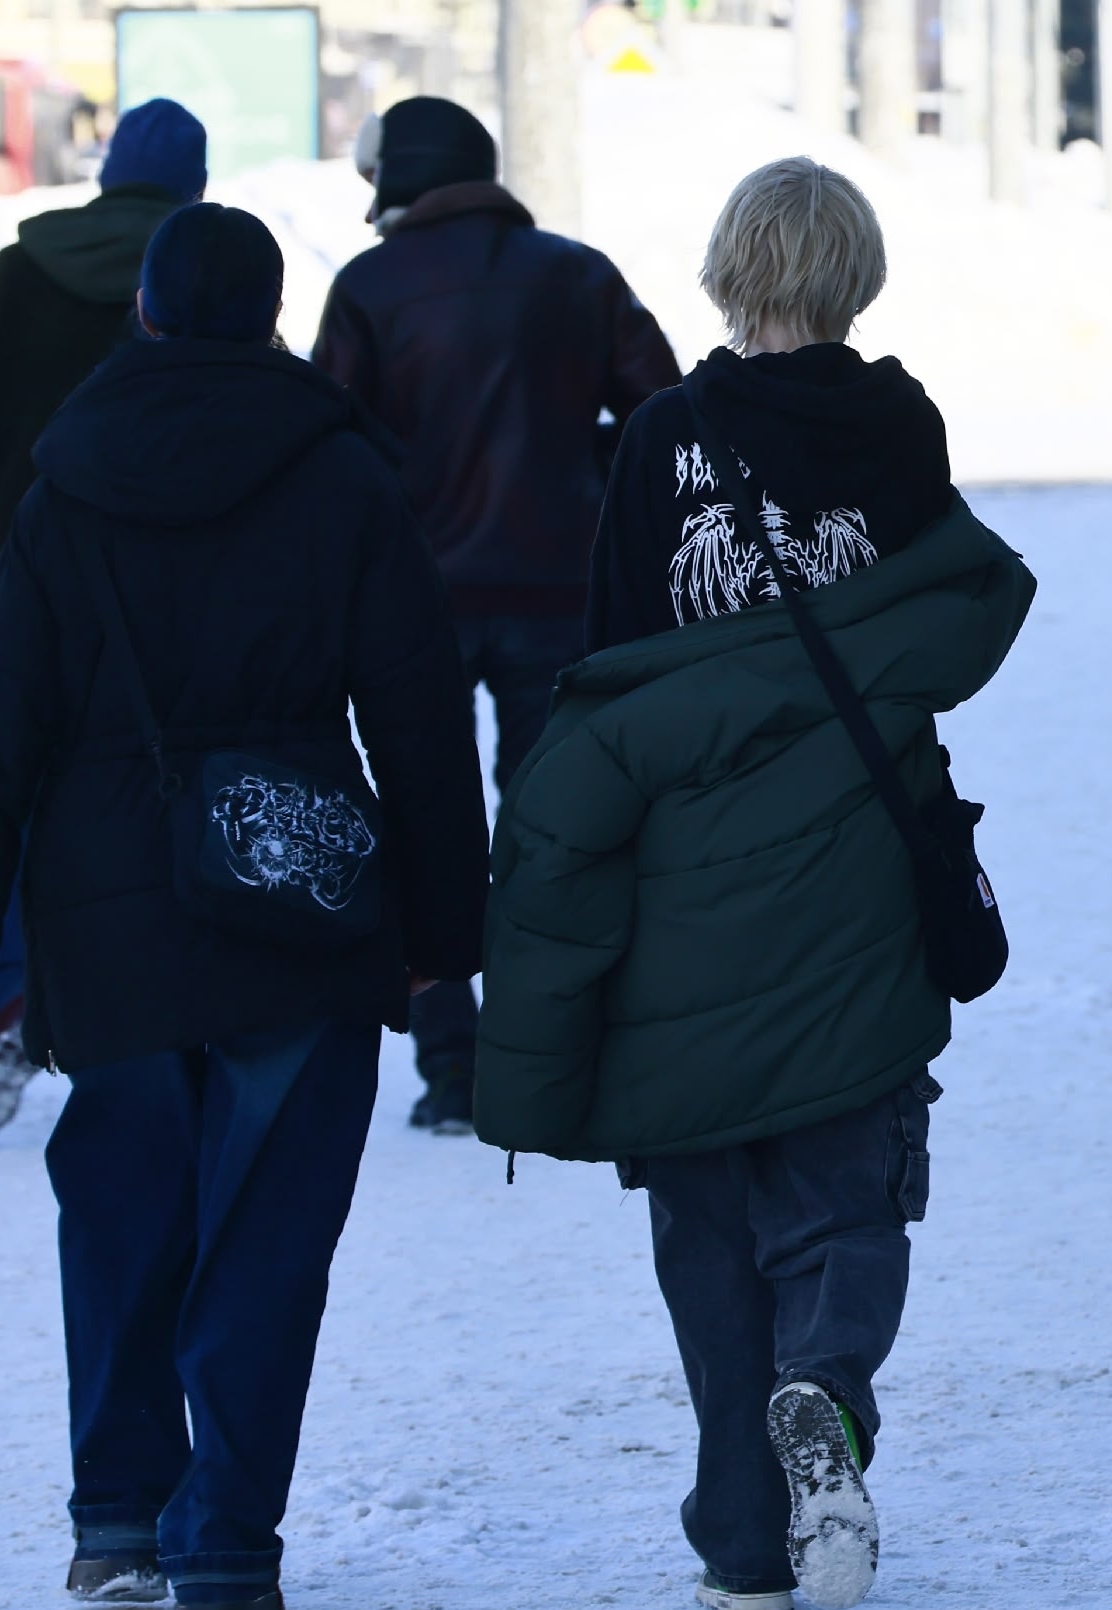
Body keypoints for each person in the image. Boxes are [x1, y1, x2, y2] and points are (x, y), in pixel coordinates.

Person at [0, 204, 489, 1610]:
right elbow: (416, 707)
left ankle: (115, 1516)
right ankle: (224, 1550)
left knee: (125, 1208)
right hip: (300, 888)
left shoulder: (66, 481)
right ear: (275, 320)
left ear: (143, 313)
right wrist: (441, 927)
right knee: (271, 1230)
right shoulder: (339, 472)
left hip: (108, 910)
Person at [476, 158, 1035, 1610]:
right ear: (857, 274)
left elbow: (605, 662)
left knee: (707, 1202)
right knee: (847, 1169)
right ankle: (826, 1388)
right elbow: (925, 631)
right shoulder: (899, 426)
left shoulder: (664, 437)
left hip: (681, 872)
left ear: (730, 269)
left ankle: (741, 1535)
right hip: (851, 850)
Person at [312, 95, 680, 1137]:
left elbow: (327, 446)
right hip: (561, 595)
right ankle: (547, 1050)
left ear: (397, 179)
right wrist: (586, 477)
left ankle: (450, 1068)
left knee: (426, 823)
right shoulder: (576, 271)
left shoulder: (370, 288)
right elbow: (665, 410)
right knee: (549, 830)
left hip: (413, 602)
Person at [0, 96, 208, 1138]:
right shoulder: (202, 276)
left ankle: (22, 990)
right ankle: (159, 1000)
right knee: (161, 788)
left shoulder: (9, 279)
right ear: (194, 184)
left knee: (18, 795)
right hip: (169, 594)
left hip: (16, 586)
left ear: (108, 169)